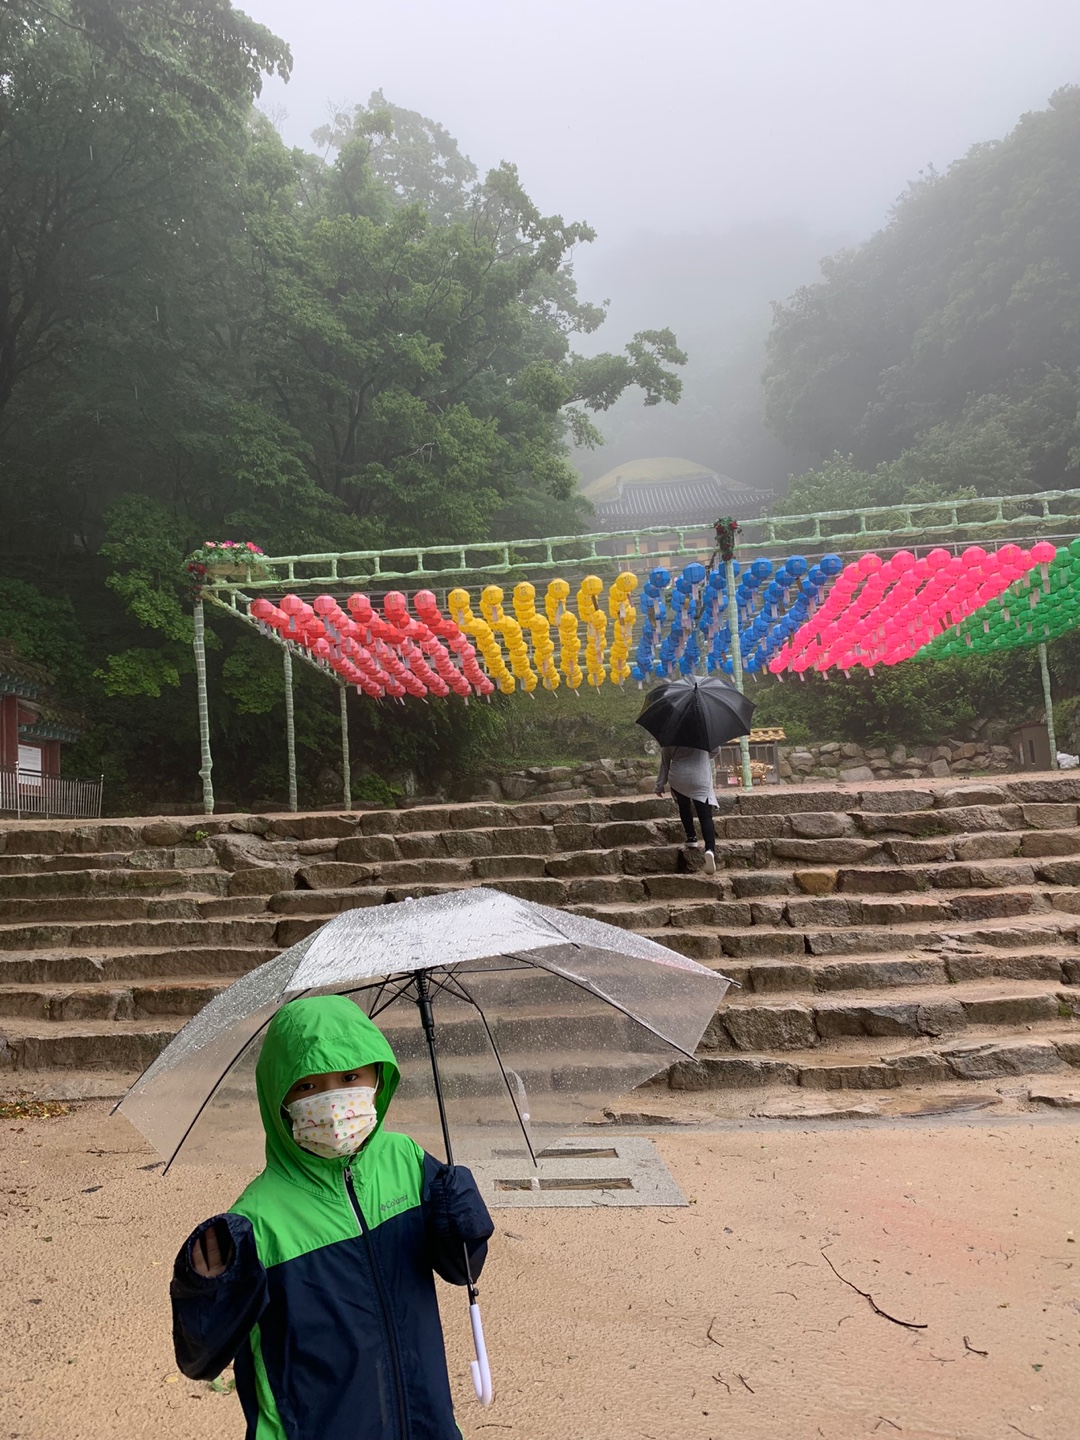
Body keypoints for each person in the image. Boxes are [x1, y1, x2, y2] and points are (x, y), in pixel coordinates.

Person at [170, 994, 494, 1440]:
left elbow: (461, 1268)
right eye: (307, 1086)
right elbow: (199, 1358)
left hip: (425, 1425)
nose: (332, 1100)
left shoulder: (407, 1160)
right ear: (278, 1099)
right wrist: (207, 1294)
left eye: (349, 1077)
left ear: (377, 1077)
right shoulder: (257, 1221)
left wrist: (465, 1224)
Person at [655, 744, 720, 873]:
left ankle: (691, 837)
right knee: (705, 815)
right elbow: (716, 751)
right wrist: (703, 756)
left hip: (679, 778)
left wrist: (659, 785)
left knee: (684, 806)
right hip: (700, 776)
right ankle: (709, 849)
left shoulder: (671, 739)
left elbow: (665, 763)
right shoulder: (703, 736)